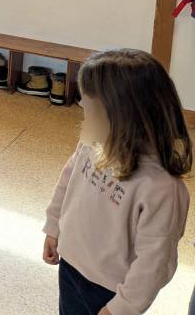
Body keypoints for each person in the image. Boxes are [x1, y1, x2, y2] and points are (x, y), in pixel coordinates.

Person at [42, 49, 192, 315]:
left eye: (89, 108)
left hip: (109, 290)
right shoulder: (94, 139)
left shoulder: (162, 189)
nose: (83, 113)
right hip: (70, 266)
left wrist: (121, 308)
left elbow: (154, 262)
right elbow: (68, 180)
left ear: (123, 117)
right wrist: (53, 226)